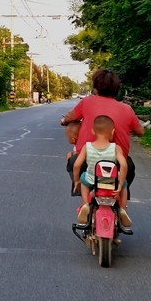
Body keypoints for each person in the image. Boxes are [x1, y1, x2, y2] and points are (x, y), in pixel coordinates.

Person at [60, 68, 144, 228]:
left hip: (88, 160)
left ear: (95, 87)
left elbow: (70, 117)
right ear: (116, 89)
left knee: (73, 162)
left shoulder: (86, 102)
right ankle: (120, 200)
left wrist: (64, 121)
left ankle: (84, 200)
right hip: (117, 163)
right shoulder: (127, 109)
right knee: (129, 169)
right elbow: (140, 131)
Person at [71, 115, 127, 224]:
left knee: (83, 182)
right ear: (112, 132)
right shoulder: (116, 148)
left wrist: (76, 180)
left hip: (92, 179)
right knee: (125, 184)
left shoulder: (86, 147)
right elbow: (124, 165)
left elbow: (76, 165)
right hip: (112, 181)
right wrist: (119, 185)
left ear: (93, 131)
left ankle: (85, 204)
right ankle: (122, 209)